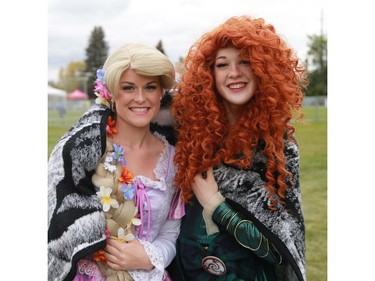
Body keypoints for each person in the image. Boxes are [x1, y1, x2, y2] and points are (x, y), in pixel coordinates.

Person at [168, 16, 308, 281]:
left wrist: (216, 205)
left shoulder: (278, 148)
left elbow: (282, 249)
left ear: (262, 69)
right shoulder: (189, 134)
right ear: (209, 74)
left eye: (245, 61)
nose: (234, 72)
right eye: (222, 64)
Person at [48, 43, 184, 281]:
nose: (140, 98)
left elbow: (171, 233)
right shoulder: (84, 151)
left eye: (150, 87)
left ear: (161, 92)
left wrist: (150, 257)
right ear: (110, 92)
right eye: (128, 88)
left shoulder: (173, 158)